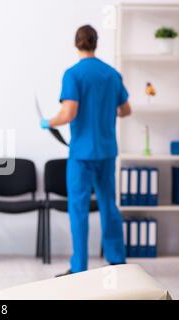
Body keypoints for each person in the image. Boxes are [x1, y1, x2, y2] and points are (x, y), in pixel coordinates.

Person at [40, 25, 132, 276]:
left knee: (78, 209)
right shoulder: (112, 74)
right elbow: (126, 110)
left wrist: (48, 122)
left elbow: (69, 113)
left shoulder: (73, 74)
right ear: (96, 43)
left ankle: (79, 267)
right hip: (107, 150)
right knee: (109, 206)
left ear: (76, 44)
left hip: (82, 155)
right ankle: (117, 262)